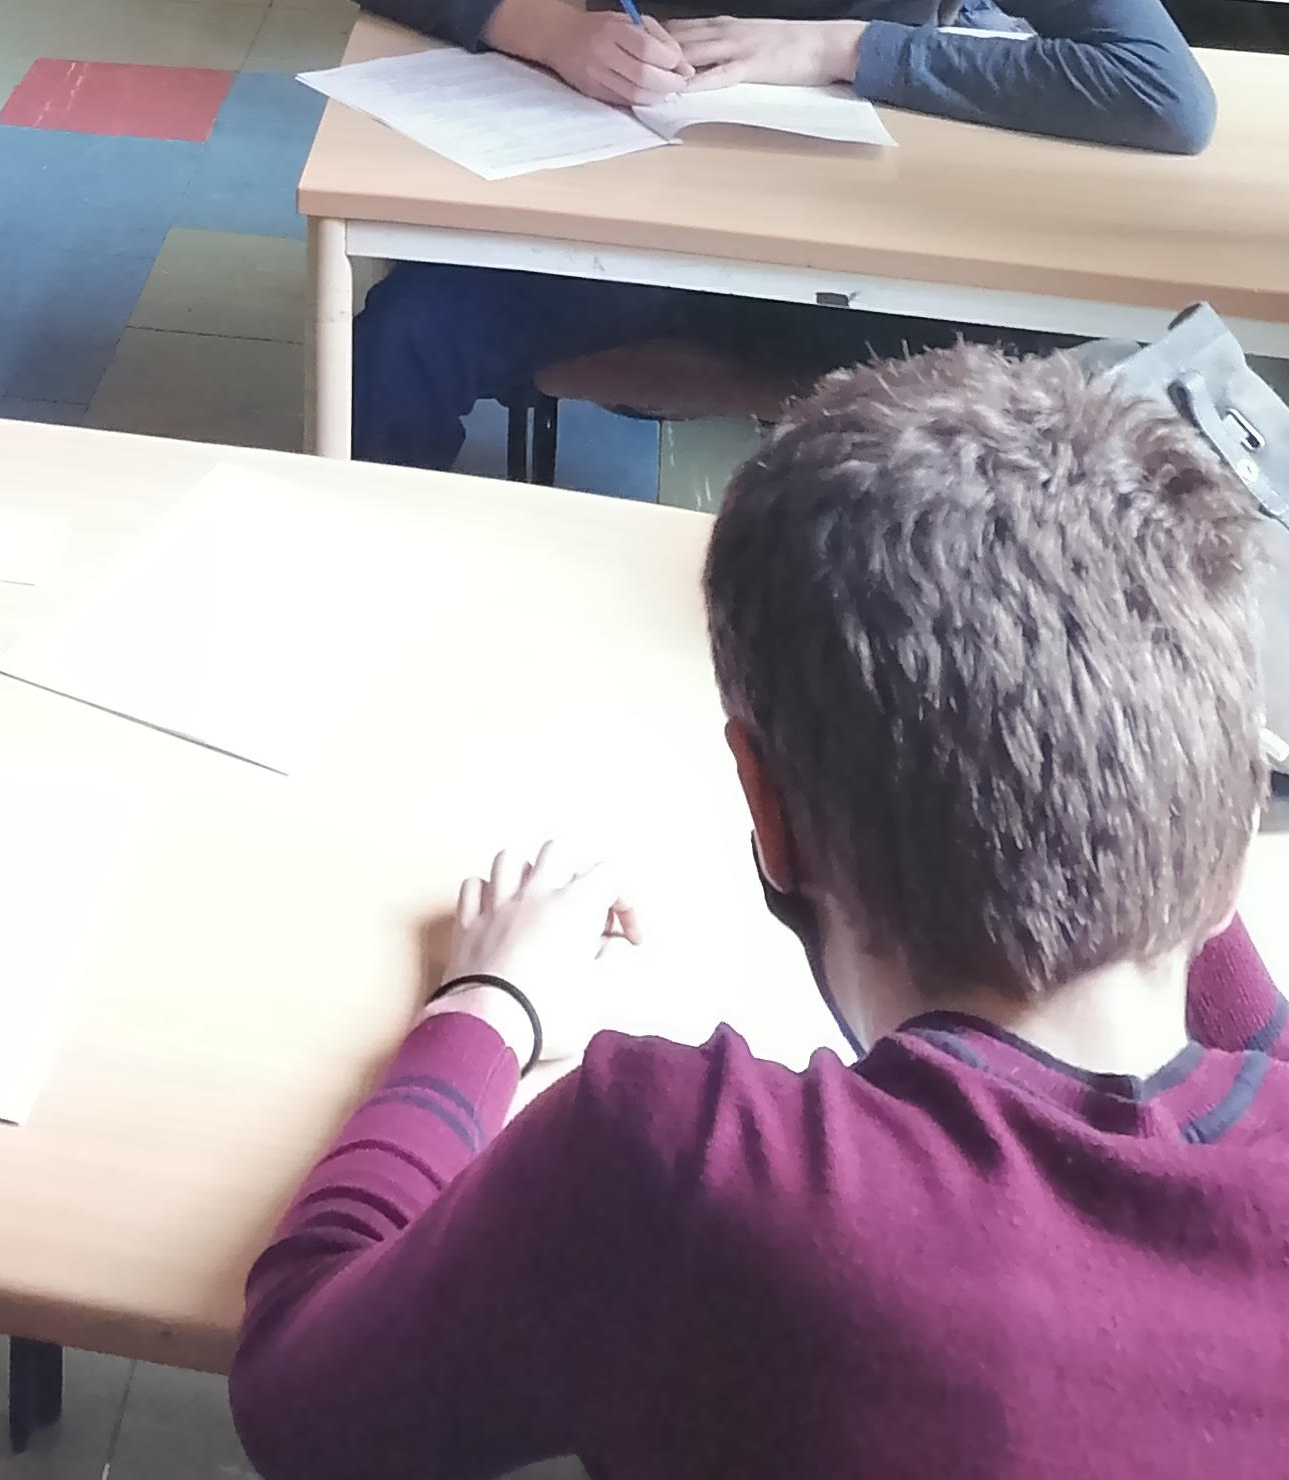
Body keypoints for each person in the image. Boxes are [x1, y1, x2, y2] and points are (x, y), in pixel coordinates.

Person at [229, 346, 1288, 1478]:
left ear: (765, 809)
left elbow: (301, 1399)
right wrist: (1165, 806)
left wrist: (486, 1002)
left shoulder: (689, 1171)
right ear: (1236, 820)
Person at [323, 0, 1211, 472]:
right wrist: (548, 30)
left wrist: (845, 50)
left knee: (1061, 351)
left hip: (859, 259)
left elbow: (1165, 91)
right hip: (629, 227)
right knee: (407, 335)